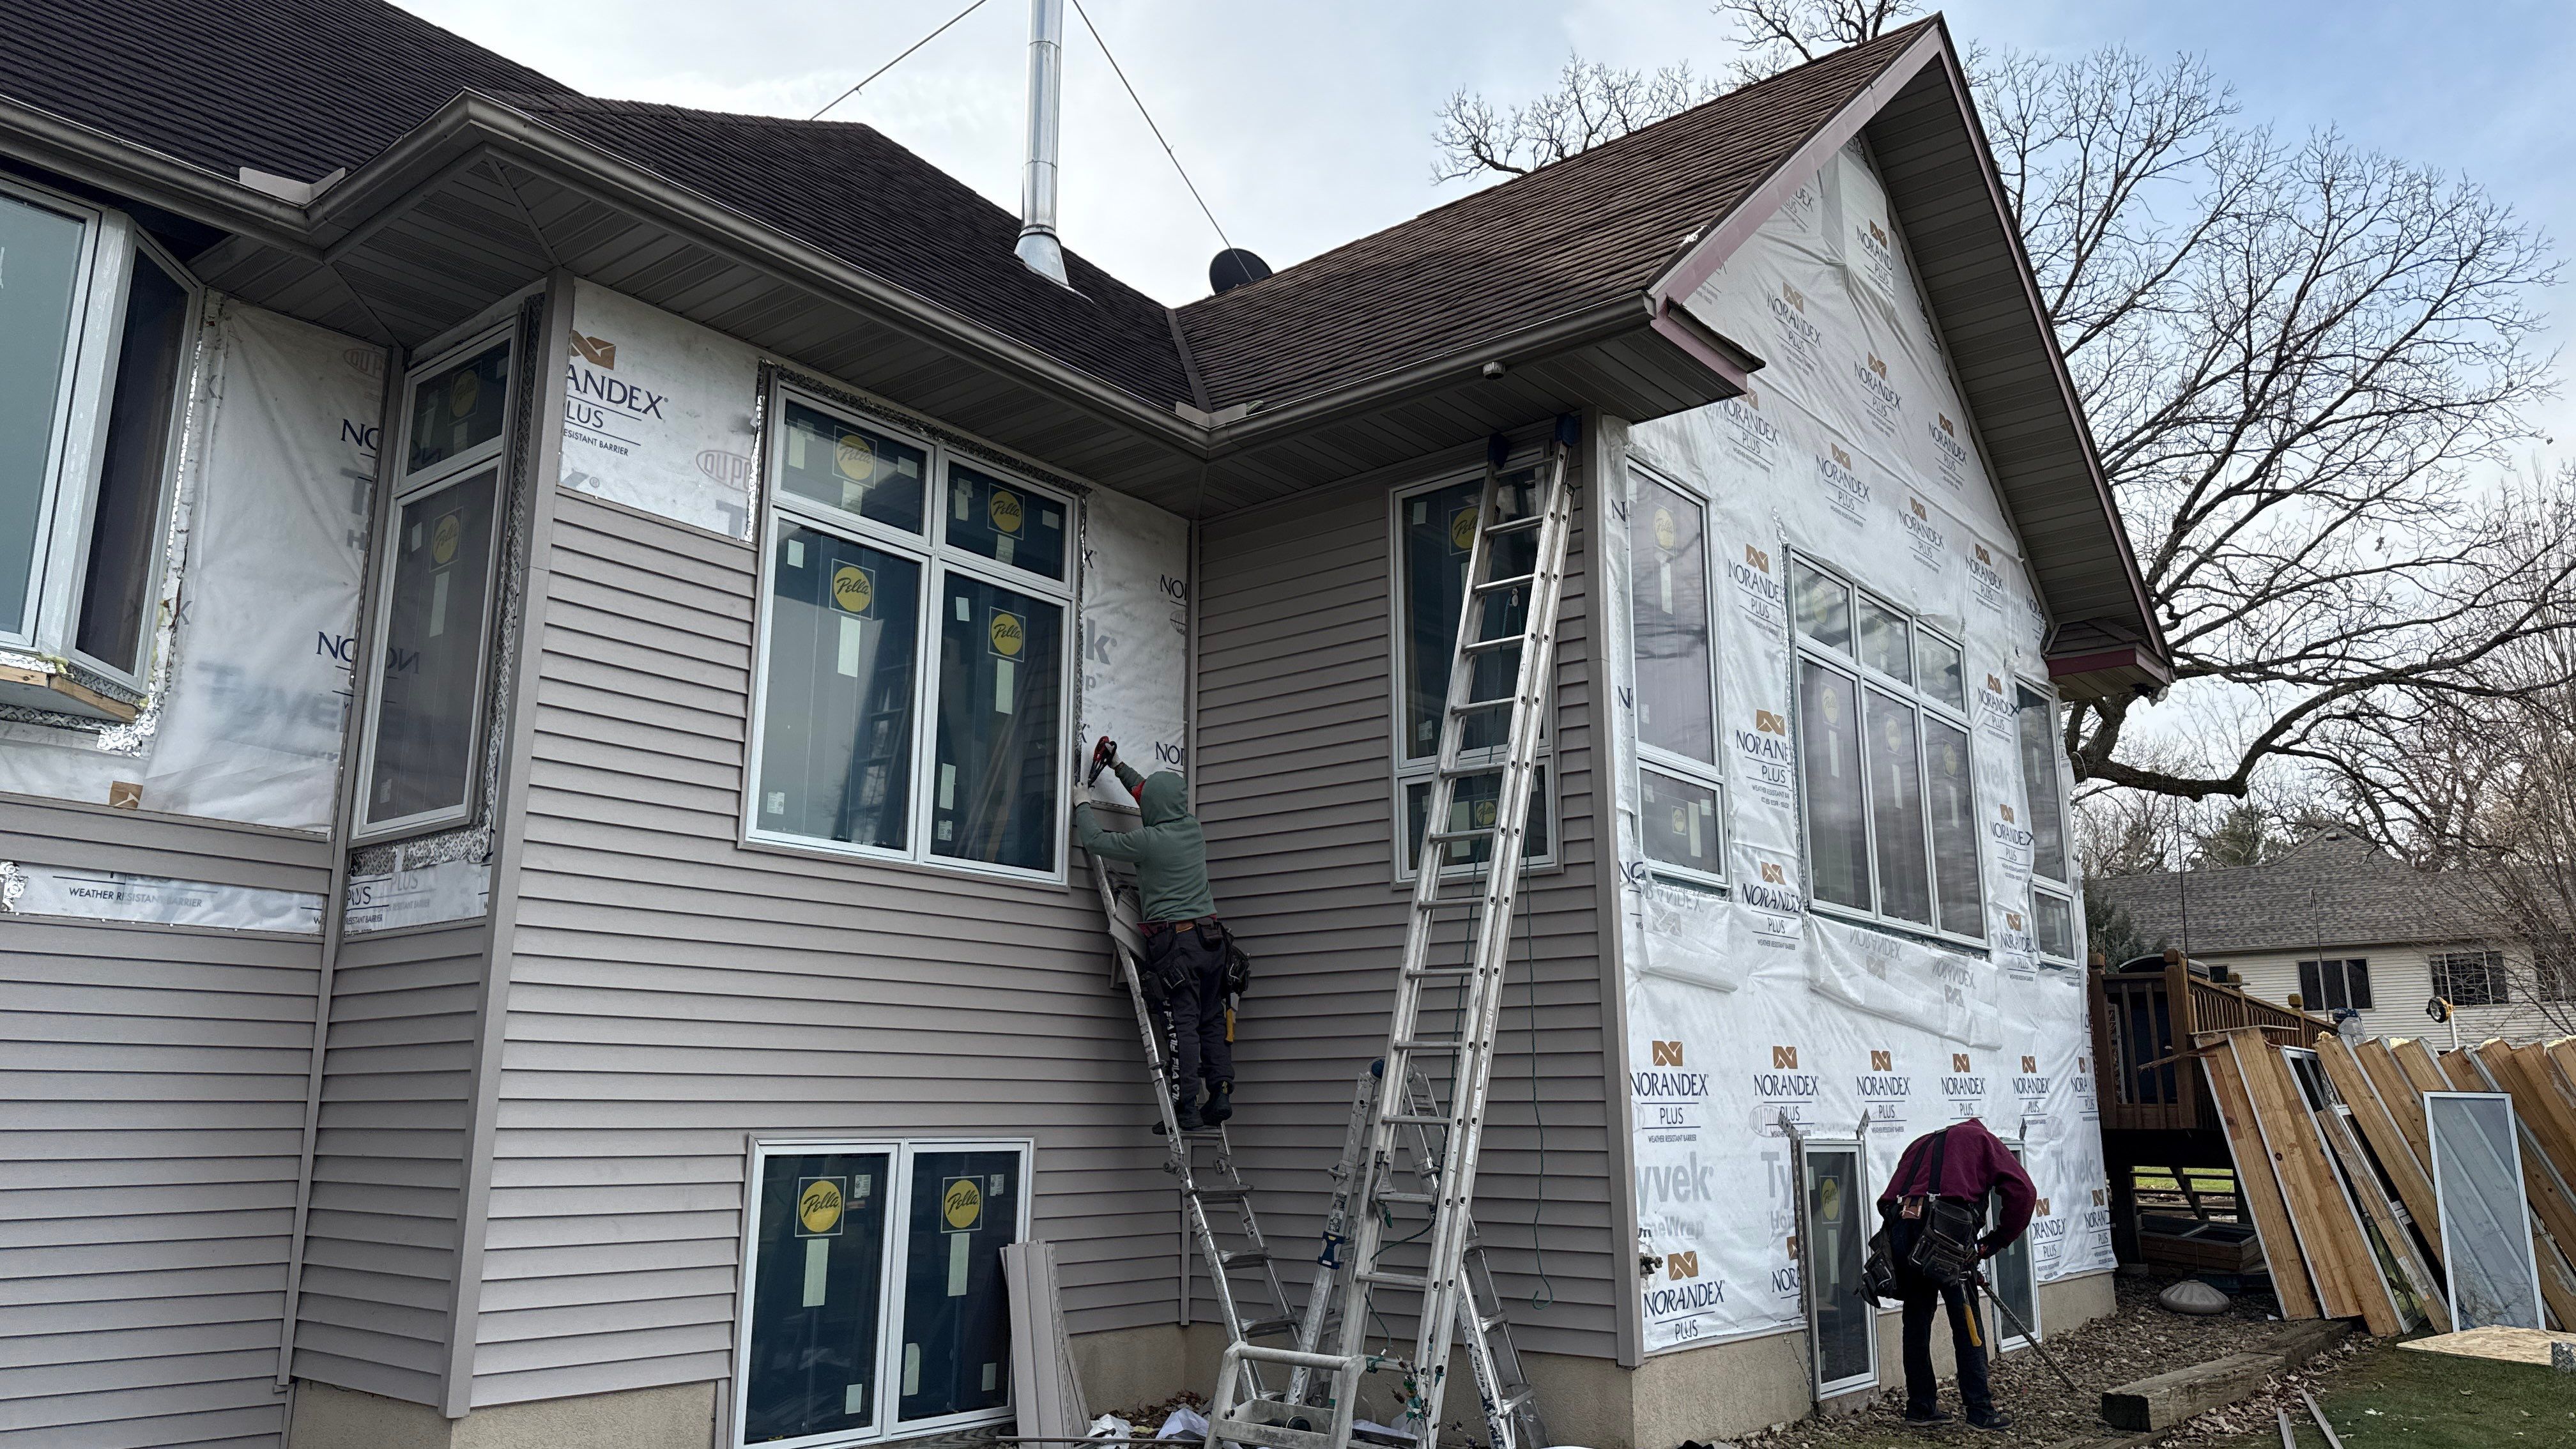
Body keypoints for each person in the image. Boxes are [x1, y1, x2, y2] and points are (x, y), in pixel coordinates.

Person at [1072, 737, 1233, 1131]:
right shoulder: (1192, 830)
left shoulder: (1149, 842)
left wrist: (1082, 803)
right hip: (1214, 943)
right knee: (1211, 1019)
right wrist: (1117, 765)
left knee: (1182, 1023)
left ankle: (1186, 1109)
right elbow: (1151, 794)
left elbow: (1095, 841)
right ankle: (1220, 1093)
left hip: (1178, 946)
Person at [1876, 1117, 2036, 1433]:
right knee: (1967, 1323)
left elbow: (1887, 1200)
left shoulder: (1920, 1142)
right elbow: (2024, 1193)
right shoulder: (1982, 1140)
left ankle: (1920, 1408)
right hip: (1947, 1232)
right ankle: (1980, 1411)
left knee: (1916, 1320)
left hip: (1903, 1228)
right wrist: (1994, 1242)